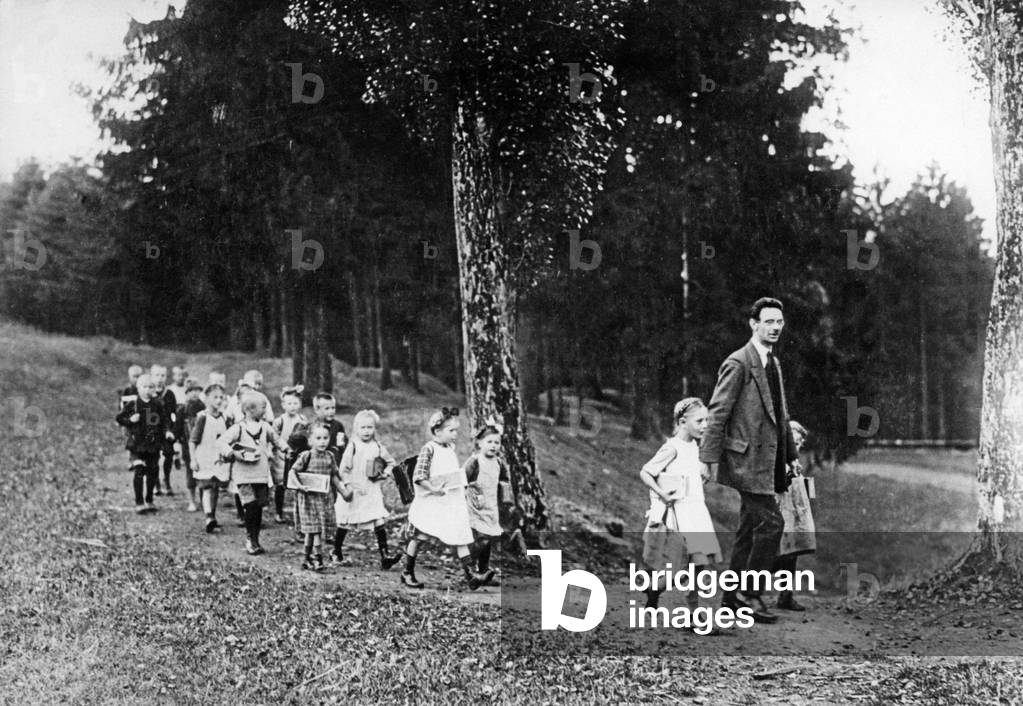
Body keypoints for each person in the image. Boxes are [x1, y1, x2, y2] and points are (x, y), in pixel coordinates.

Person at [700, 297, 798, 625]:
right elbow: (718, 412)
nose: (774, 328)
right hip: (745, 461)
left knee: (747, 528)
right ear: (753, 324)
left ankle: (731, 597)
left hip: (767, 461)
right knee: (772, 523)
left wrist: (791, 457)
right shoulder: (738, 362)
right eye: (768, 322)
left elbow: (780, 416)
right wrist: (707, 458)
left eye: (779, 323)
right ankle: (749, 593)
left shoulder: (774, 363)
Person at [639, 398, 722, 618]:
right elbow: (646, 472)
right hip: (679, 514)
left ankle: (694, 613)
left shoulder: (697, 447)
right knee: (678, 568)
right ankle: (655, 588)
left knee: (698, 565)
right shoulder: (672, 447)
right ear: (683, 421)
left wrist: (702, 472)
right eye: (699, 421)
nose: (705, 425)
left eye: (706, 420)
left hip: (696, 511)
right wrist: (662, 492)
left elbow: (694, 476)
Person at [399, 408, 494, 590]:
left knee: (459, 534)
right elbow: (419, 475)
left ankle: (471, 575)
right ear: (437, 431)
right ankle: (407, 571)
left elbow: (452, 474)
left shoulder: (450, 449)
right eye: (451, 431)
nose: (455, 435)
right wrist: (432, 488)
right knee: (420, 537)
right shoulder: (429, 449)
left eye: (456, 431)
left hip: (448, 502)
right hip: (431, 501)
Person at [219, 394, 288, 555]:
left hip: (261, 474)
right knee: (250, 505)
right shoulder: (239, 428)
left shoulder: (265, 427)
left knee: (259, 507)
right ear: (249, 410)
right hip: (244, 475)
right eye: (262, 407)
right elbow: (222, 441)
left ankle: (255, 537)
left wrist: (287, 449)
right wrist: (233, 453)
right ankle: (251, 539)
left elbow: (277, 439)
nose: (265, 410)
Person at [332, 410, 401, 569]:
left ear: (374, 429)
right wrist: (348, 485)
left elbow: (391, 462)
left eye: (370, 427)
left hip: (371, 489)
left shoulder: (377, 446)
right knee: (345, 521)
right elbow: (344, 469)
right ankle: (336, 550)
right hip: (354, 489)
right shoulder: (353, 446)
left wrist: (384, 474)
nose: (366, 431)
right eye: (362, 427)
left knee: (378, 519)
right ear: (356, 428)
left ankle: (385, 555)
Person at [290, 424, 350, 571]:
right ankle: (318, 558)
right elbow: (293, 471)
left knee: (312, 531)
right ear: (310, 440)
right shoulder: (306, 456)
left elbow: (334, 475)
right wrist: (299, 486)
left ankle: (306, 558)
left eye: (325, 438)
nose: (322, 441)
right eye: (318, 438)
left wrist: (343, 491)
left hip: (323, 499)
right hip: (308, 499)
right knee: (314, 530)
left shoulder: (330, 456)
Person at [463, 418, 513, 585]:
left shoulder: (499, 462)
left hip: (491, 506)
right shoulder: (475, 461)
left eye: (497, 443)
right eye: (489, 442)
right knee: (481, 539)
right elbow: (462, 479)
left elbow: (504, 480)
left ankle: (483, 571)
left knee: (489, 538)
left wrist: (505, 499)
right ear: (479, 443)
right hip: (475, 506)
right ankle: (469, 569)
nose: (493, 446)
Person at [116, 373, 175, 514]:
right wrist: (131, 420)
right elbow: (119, 418)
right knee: (139, 471)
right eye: (144, 386)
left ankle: (149, 500)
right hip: (137, 444)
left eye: (151, 387)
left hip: (153, 443)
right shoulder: (133, 404)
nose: (147, 389)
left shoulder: (158, 404)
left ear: (154, 389)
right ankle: (139, 502)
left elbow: (165, 420)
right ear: (138, 387)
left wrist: (167, 431)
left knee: (152, 472)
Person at [773, 420, 816, 611]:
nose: (795, 448)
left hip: (796, 516)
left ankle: (786, 596)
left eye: (798, 444)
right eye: (793, 444)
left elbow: (806, 492)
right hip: (781, 514)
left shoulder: (795, 464)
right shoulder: (777, 463)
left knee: (792, 554)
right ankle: (747, 589)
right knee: (776, 555)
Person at [189, 384, 231, 533]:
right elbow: (193, 441)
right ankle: (208, 517)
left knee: (215, 487)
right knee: (207, 486)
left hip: (218, 458)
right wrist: (193, 459)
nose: (219, 400)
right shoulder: (203, 417)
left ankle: (212, 515)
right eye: (215, 397)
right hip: (204, 457)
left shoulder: (224, 418)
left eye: (221, 397)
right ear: (206, 399)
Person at [272, 385, 309, 524]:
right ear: (283, 405)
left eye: (295, 403)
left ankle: (298, 512)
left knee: (298, 482)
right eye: (289, 403)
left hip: (298, 456)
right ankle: (278, 511)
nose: (292, 406)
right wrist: (281, 449)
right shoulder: (279, 421)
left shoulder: (302, 419)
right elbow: (274, 437)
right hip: (282, 457)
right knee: (281, 484)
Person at [150, 364, 179, 496]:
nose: (160, 379)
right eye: (157, 375)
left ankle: (166, 479)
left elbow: (173, 414)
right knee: (153, 457)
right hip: (153, 430)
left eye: (162, 375)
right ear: (151, 376)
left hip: (167, 429)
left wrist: (171, 430)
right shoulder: (149, 393)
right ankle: (155, 483)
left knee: (168, 454)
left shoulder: (169, 394)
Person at [179, 381, 205, 512]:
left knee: (202, 472)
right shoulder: (182, 410)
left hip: (202, 445)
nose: (195, 393)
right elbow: (177, 430)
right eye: (191, 390)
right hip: (187, 446)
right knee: (190, 474)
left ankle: (203, 500)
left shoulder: (204, 407)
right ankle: (191, 500)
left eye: (197, 390)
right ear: (187, 393)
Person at [312, 393, 347, 464]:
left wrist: (343, 443)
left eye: (333, 408)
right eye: (327, 408)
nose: (331, 411)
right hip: (318, 460)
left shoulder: (338, 425)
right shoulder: (314, 426)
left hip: (334, 459)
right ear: (317, 410)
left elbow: (344, 442)